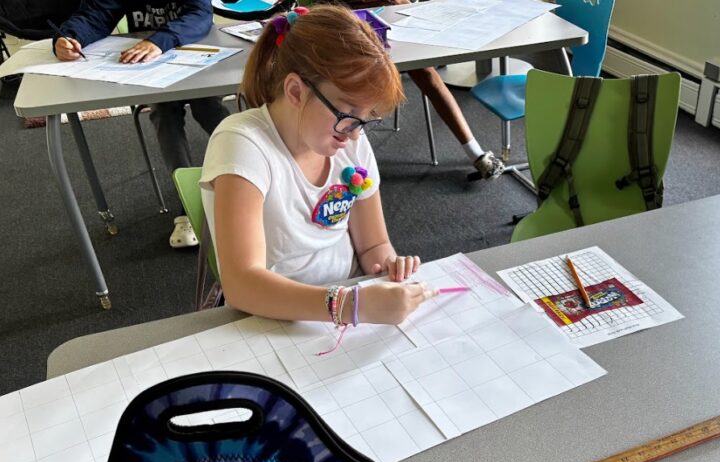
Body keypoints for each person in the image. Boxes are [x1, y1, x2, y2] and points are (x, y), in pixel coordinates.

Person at [199, 4, 431, 327]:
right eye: (347, 115)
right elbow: (242, 284)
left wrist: (389, 267)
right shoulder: (242, 144)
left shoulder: (348, 140)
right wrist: (350, 306)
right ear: (295, 91)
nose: (353, 136)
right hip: (271, 315)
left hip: (342, 307)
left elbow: (374, 244)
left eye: (364, 120)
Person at [53, 1, 231, 249]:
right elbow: (97, 14)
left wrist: (160, 40)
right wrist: (70, 37)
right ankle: (187, 208)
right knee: (164, 115)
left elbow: (200, 15)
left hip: (195, 55)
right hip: (155, 70)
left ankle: (257, 169)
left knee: (208, 108)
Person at [341, 0, 505, 180]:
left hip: (390, 21)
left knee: (426, 72)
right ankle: (346, 157)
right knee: (354, 76)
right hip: (347, 22)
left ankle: (475, 152)